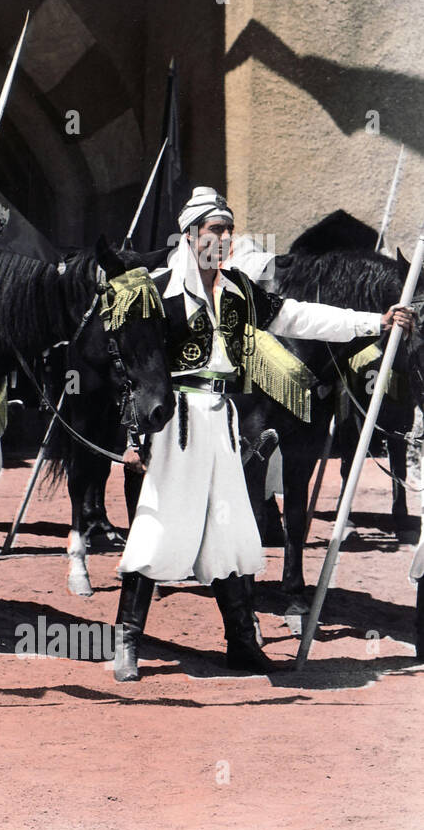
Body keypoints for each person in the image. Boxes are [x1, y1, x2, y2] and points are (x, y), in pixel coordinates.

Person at [113, 186, 414, 681]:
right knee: (160, 527)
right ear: (190, 235)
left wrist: (373, 322)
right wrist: (133, 437)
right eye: (214, 230)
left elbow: (297, 315)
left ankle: (242, 642)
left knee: (231, 532)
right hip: (175, 425)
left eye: (228, 230)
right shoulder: (156, 290)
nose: (223, 238)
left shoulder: (237, 290)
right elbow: (136, 370)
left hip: (223, 423)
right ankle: (127, 638)